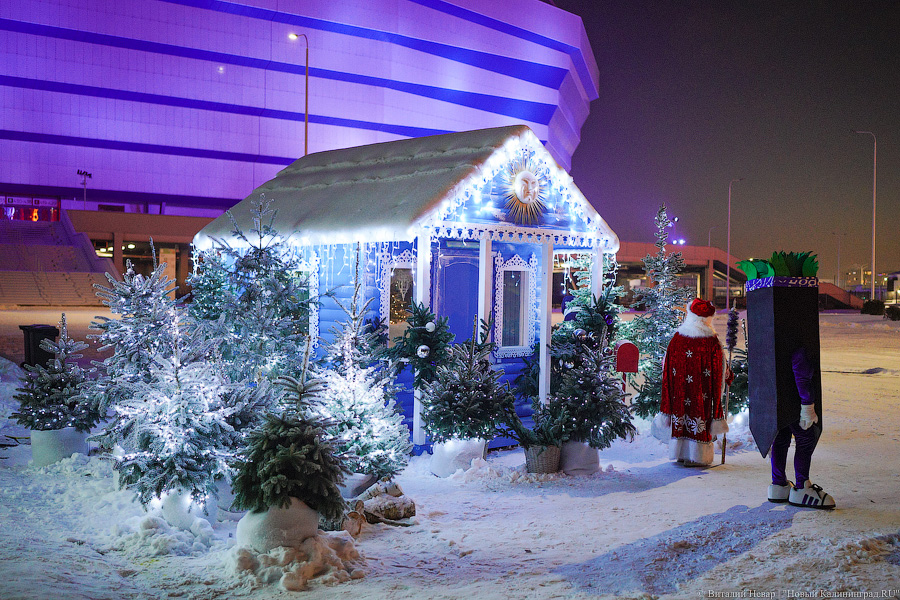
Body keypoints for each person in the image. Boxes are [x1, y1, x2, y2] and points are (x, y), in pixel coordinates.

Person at [656, 298, 732, 466]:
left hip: (680, 391)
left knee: (681, 417)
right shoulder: (711, 341)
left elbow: (666, 364)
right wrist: (727, 373)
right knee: (699, 418)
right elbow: (720, 368)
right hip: (701, 393)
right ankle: (697, 457)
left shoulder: (677, 338)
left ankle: (681, 453)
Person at [766, 347, 835, 508]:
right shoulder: (797, 338)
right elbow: (801, 373)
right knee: (805, 438)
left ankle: (778, 484)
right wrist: (807, 404)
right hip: (794, 401)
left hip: (778, 400)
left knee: (781, 437)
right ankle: (802, 486)